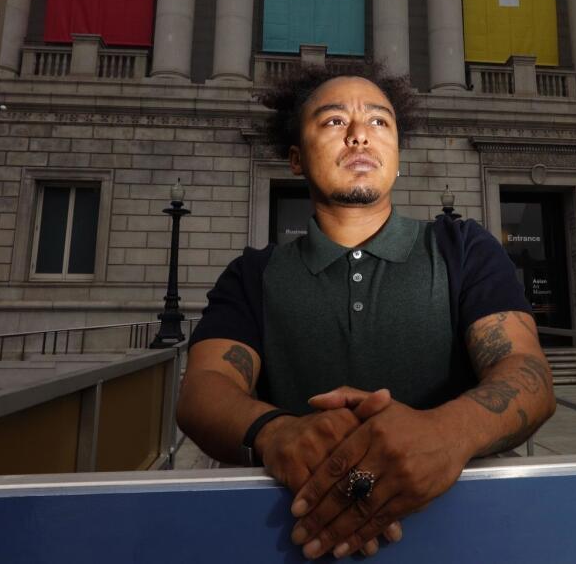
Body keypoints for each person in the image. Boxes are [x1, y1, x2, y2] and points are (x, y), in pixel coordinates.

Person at [176, 62, 556, 561]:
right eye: (334, 121)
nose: (359, 136)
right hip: (293, 538)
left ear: (397, 155)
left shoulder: (464, 249)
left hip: (461, 534)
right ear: (294, 158)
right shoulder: (254, 274)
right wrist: (277, 432)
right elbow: (202, 391)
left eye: (379, 122)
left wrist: (445, 433)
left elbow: (527, 371)